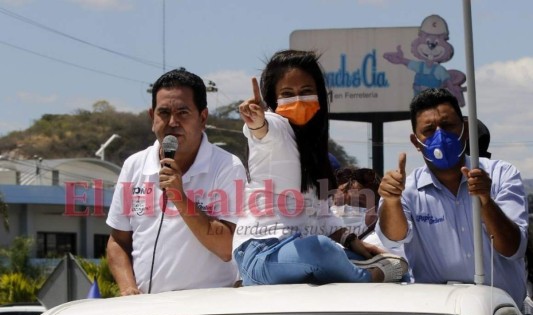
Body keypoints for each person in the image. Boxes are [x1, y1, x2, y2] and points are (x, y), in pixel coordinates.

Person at [232, 49, 407, 286]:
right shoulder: (275, 127)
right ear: (273, 100)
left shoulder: (314, 147)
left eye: (306, 92)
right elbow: (262, 131)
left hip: (301, 247)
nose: (298, 100)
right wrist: (256, 121)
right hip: (262, 253)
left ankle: (352, 264)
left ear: (320, 96)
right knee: (321, 249)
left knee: (394, 264)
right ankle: (369, 277)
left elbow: (322, 214)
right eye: (287, 94)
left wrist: (352, 241)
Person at [376, 88, 528, 308]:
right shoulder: (405, 189)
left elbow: (513, 248)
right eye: (428, 130)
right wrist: (391, 202)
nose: (440, 136)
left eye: (448, 126)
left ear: (465, 130)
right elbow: (394, 238)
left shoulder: (501, 175)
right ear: (416, 142)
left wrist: (486, 201)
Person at [106, 69, 247, 295]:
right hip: (146, 313)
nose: (173, 122)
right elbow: (118, 241)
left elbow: (226, 248)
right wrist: (128, 289)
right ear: (152, 116)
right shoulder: (134, 166)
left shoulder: (228, 167)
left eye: (183, 112)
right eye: (164, 112)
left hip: (208, 314)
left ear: (202, 118)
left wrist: (180, 198)